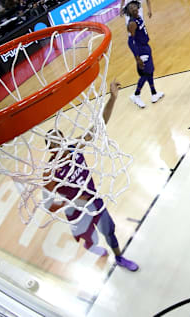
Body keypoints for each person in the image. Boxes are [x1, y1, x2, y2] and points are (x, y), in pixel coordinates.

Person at [43, 81, 138, 271]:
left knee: (109, 231)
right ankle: (90, 246)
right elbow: (48, 206)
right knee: (88, 238)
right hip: (76, 211)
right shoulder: (50, 172)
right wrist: (68, 202)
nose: (59, 143)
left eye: (60, 139)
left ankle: (119, 258)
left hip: (94, 202)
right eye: (54, 143)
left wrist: (112, 98)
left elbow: (99, 126)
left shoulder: (74, 147)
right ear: (50, 148)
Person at [124, 1, 163, 108]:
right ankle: (136, 95)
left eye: (134, 6)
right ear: (129, 12)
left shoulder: (139, 17)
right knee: (146, 73)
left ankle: (154, 94)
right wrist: (137, 57)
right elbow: (130, 42)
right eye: (130, 8)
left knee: (150, 70)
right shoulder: (132, 23)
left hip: (146, 46)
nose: (133, 8)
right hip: (141, 50)